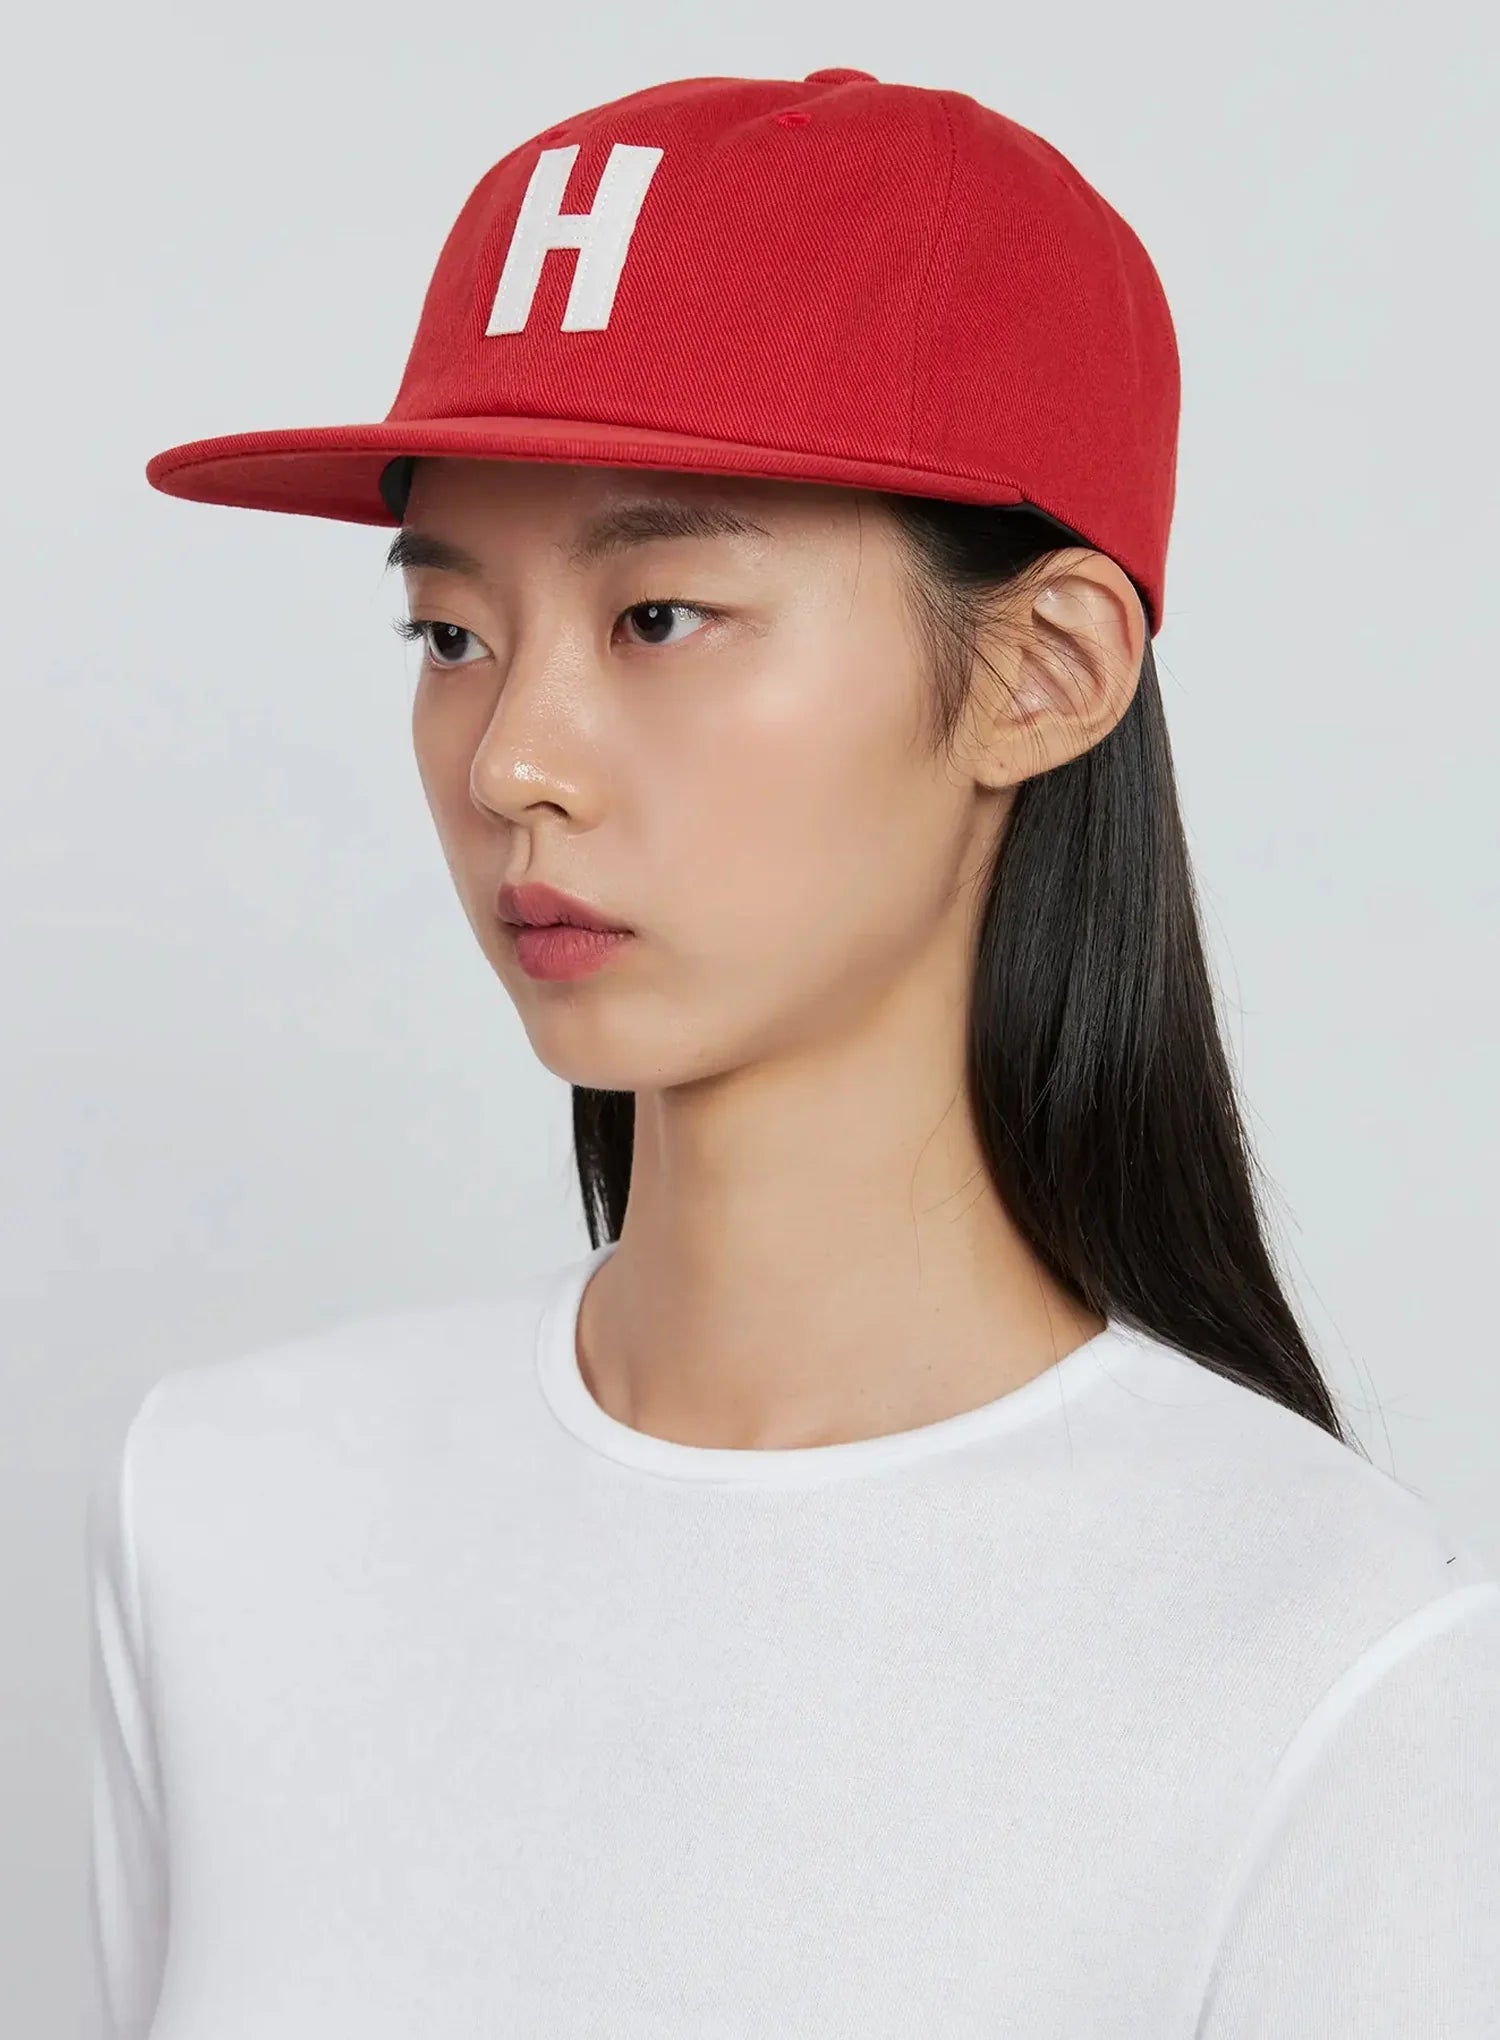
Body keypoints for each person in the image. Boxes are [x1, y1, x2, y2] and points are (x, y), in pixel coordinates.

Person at [89, 66, 1499, 2039]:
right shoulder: (222, 1514)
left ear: (1044, 672)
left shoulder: (1333, 1665)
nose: (513, 762)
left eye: (660, 615)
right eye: (452, 635)